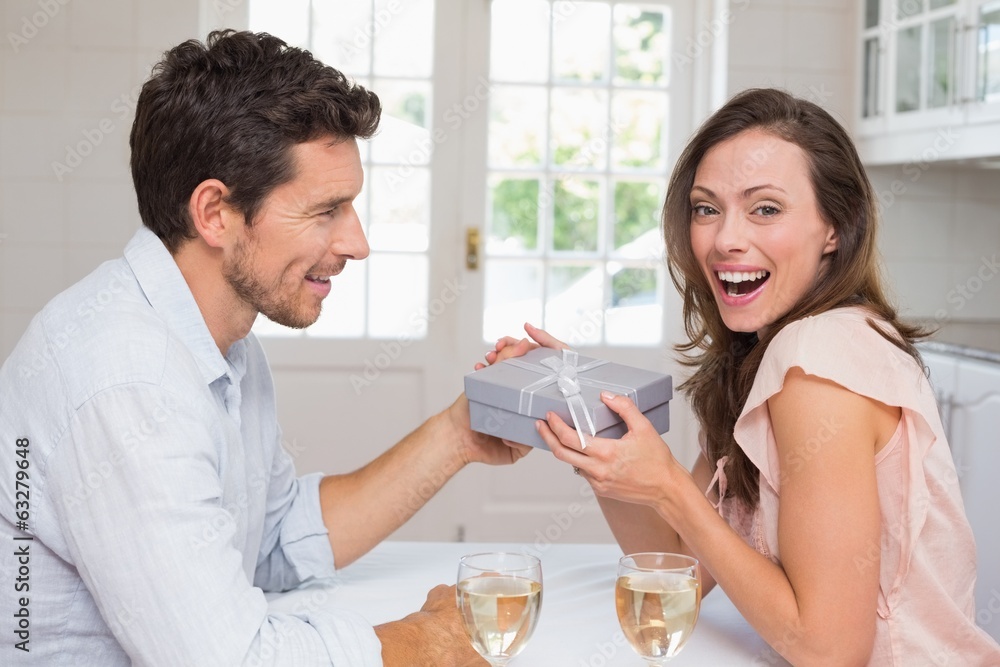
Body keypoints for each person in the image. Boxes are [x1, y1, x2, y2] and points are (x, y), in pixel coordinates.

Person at [0, 30, 528, 666]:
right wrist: (426, 642)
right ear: (216, 213)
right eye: (326, 210)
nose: (357, 243)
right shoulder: (130, 381)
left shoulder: (216, 340)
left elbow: (274, 538)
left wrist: (459, 435)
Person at [486, 88, 1000, 665]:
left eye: (766, 209)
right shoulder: (766, 354)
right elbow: (678, 564)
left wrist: (669, 486)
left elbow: (831, 652)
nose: (726, 238)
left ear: (835, 227)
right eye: (707, 208)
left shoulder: (818, 358)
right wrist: (585, 415)